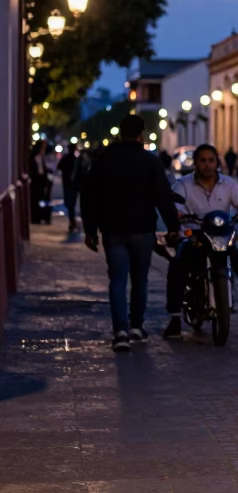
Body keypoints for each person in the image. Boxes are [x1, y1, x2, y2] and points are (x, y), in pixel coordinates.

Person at [80, 114, 180, 352]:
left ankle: (120, 332)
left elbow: (89, 196)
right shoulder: (151, 161)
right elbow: (163, 197)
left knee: (117, 280)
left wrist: (90, 230)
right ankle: (137, 327)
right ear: (141, 135)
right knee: (140, 279)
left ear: (119, 133)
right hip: (143, 229)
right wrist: (173, 225)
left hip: (113, 229)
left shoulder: (103, 160)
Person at [162, 143, 238, 338]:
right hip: (195, 237)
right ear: (195, 163)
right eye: (203, 161)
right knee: (177, 266)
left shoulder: (229, 184)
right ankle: (174, 318)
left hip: (222, 236)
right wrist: (178, 216)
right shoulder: (184, 184)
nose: (207, 165)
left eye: (211, 160)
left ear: (217, 162)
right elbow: (174, 206)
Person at [57, 145, 83, 232]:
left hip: (67, 184)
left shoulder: (65, 159)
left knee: (69, 204)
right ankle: (73, 221)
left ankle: (72, 221)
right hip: (75, 185)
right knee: (73, 203)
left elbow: (59, 168)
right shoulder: (77, 160)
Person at [28, 139, 52, 225]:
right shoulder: (34, 157)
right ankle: (37, 217)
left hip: (42, 180)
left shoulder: (42, 157)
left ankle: (45, 217)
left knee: (44, 200)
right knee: (36, 200)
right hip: (36, 180)